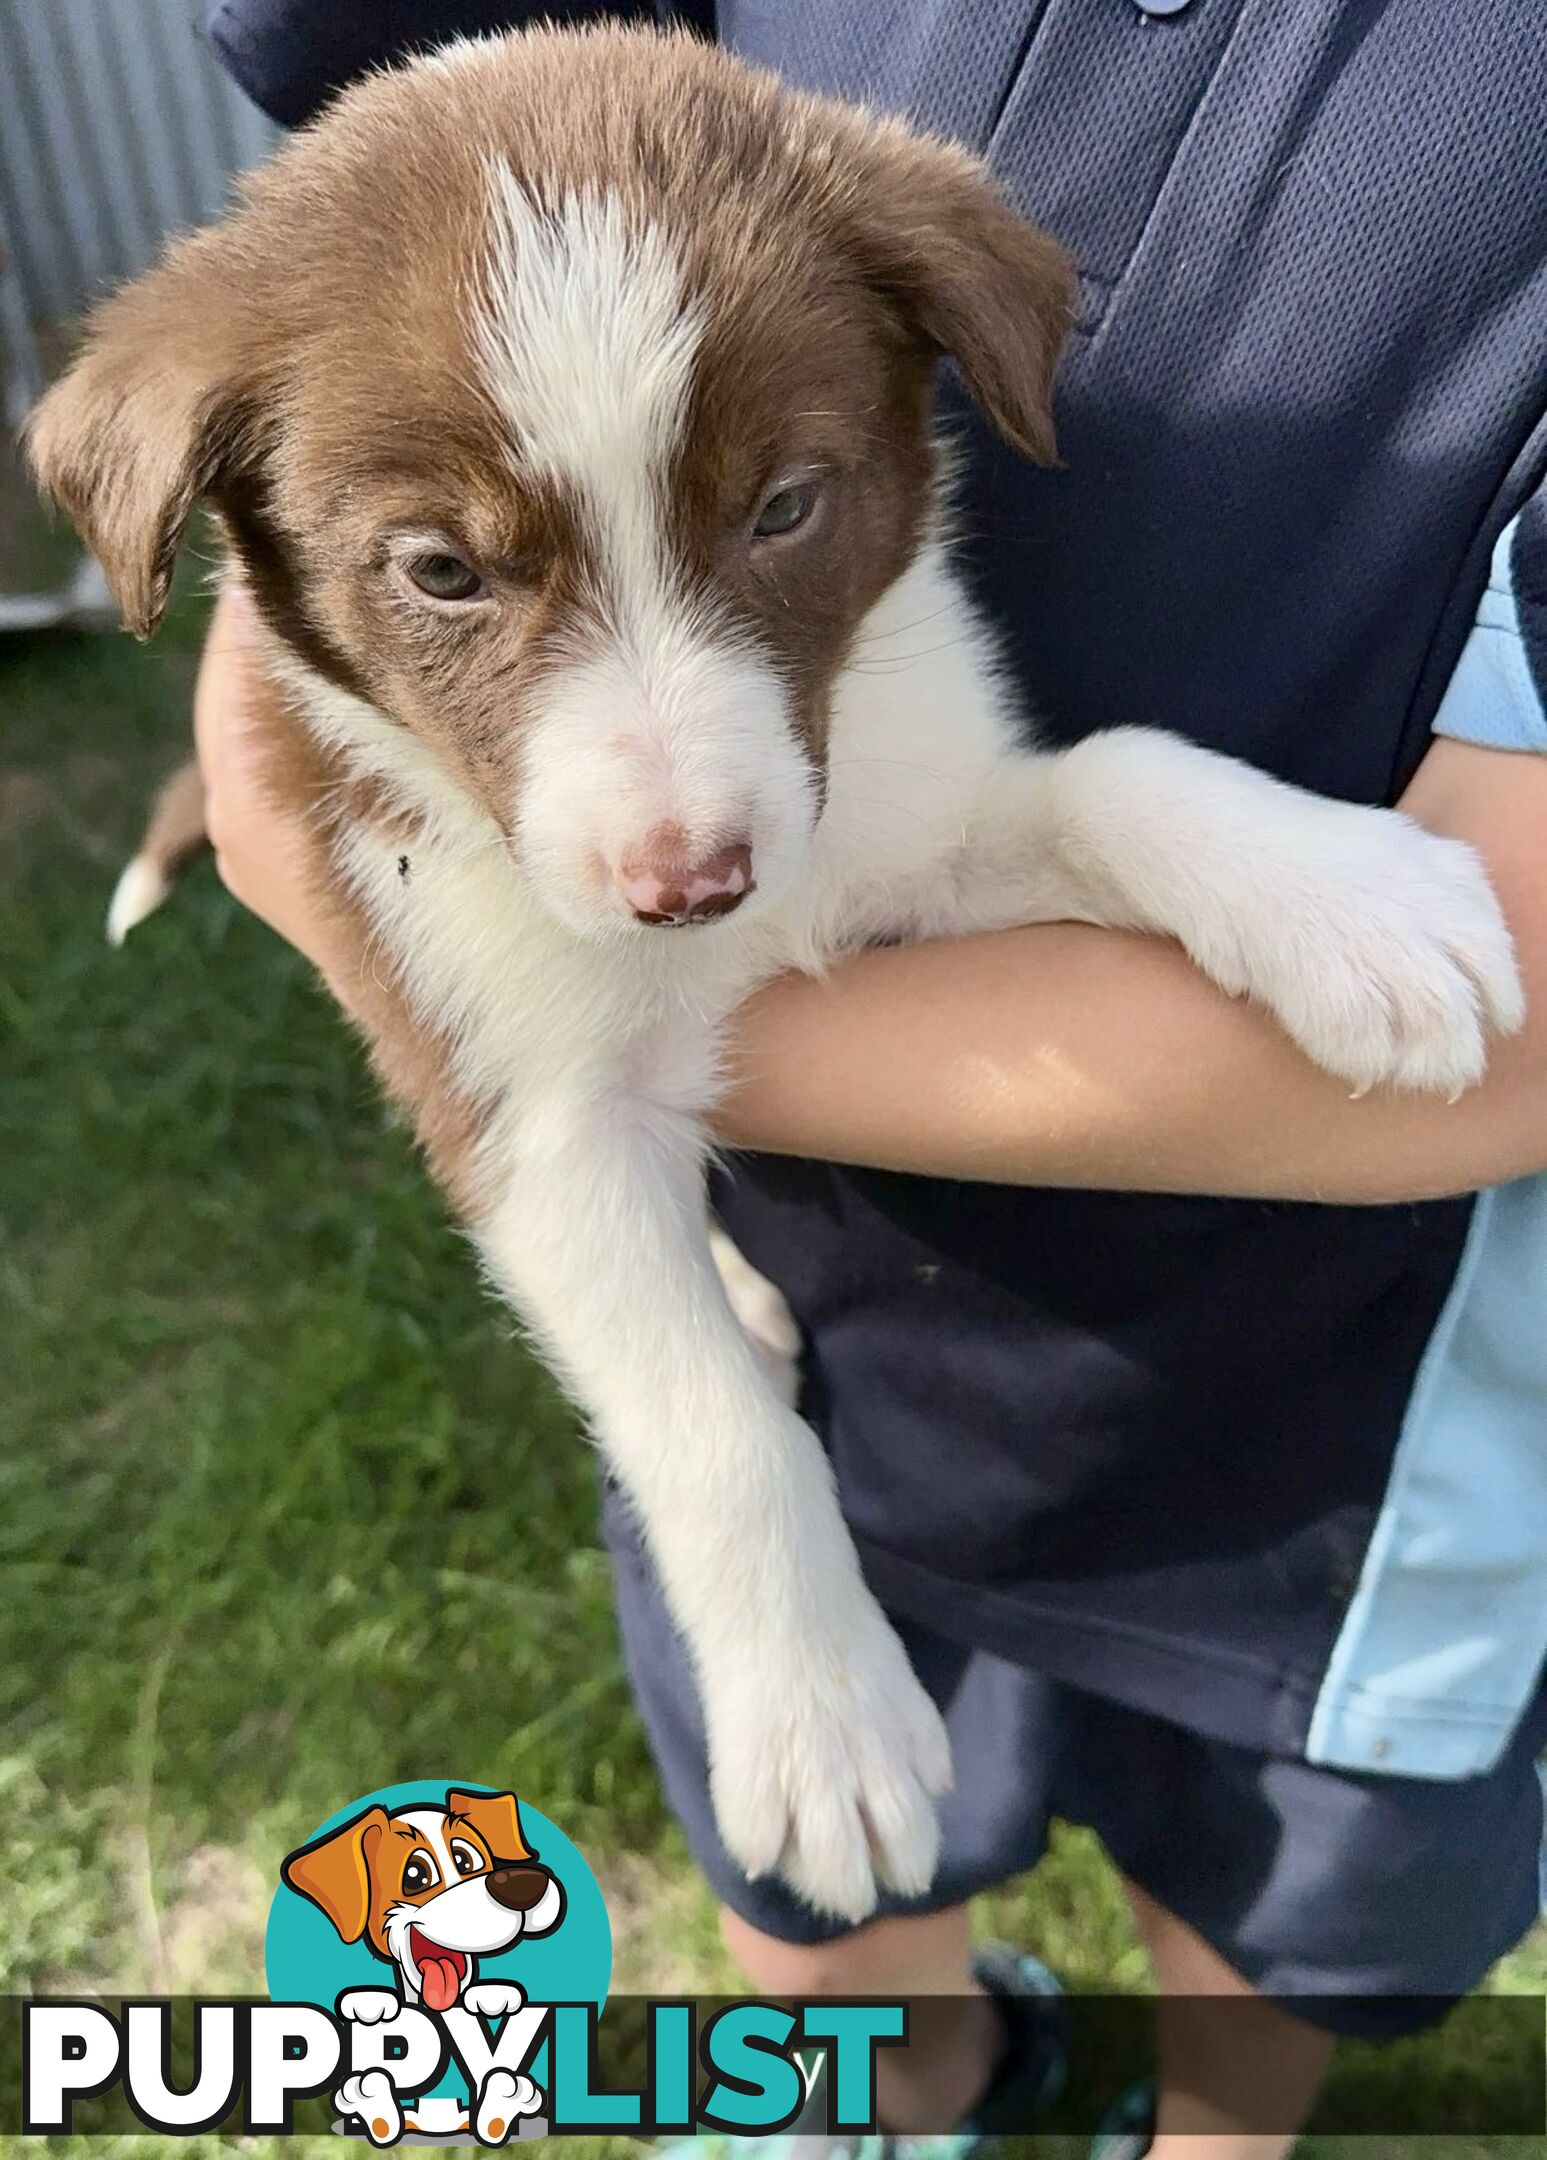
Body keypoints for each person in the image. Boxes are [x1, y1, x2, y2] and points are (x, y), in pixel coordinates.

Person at [193, 5, 1547, 2155]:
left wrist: (1141, 834)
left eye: (781, 512)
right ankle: (911, 2095)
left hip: (1330, 1443)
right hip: (823, 1376)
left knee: (1290, 1919)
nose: (675, 823)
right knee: (823, 1877)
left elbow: (975, 850)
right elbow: (549, 1125)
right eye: (456, 572)